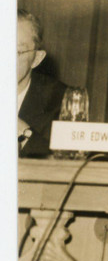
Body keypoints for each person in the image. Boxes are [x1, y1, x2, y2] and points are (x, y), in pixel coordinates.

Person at [17, 9, 68, 158]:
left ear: (36, 59)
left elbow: (66, 166)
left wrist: (23, 132)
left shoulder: (60, 102)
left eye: (17, 51)